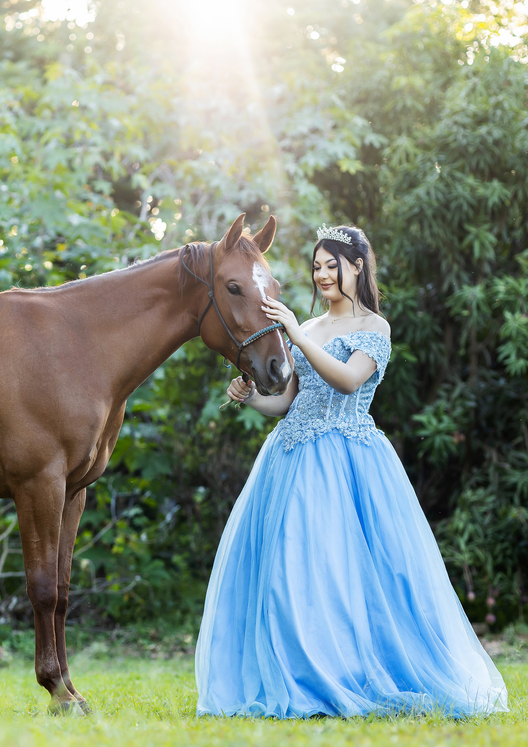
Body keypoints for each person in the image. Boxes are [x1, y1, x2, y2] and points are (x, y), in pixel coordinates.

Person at [194, 224, 507, 718]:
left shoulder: (372, 328)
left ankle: (350, 670)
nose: (322, 274)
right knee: (289, 572)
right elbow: (288, 402)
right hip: (289, 458)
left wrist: (294, 331)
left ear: (357, 267)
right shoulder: (312, 327)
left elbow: (346, 381)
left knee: (344, 574)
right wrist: (251, 396)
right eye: (316, 266)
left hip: (346, 462)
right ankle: (297, 676)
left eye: (331, 264)